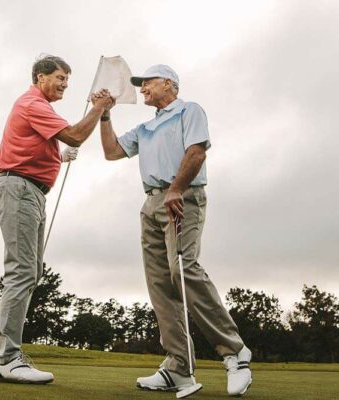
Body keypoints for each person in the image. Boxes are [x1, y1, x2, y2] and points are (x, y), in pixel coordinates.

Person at [96, 64, 252, 397]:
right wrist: (104, 116)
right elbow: (111, 152)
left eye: (147, 82)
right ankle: (178, 367)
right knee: (159, 285)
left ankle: (235, 352)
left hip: (181, 196)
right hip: (151, 203)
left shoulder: (189, 110)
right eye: (140, 85)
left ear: (169, 84)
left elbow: (196, 151)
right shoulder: (144, 127)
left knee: (184, 271)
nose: (141, 88)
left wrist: (176, 189)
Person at [0, 55, 113, 384]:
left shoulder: (40, 108)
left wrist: (59, 156)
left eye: (68, 79)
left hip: (30, 191)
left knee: (31, 272)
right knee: (22, 271)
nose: (65, 83)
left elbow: (42, 146)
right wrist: (99, 108)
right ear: (40, 77)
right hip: (20, 189)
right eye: (60, 77)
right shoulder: (32, 103)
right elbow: (75, 135)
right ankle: (7, 355)